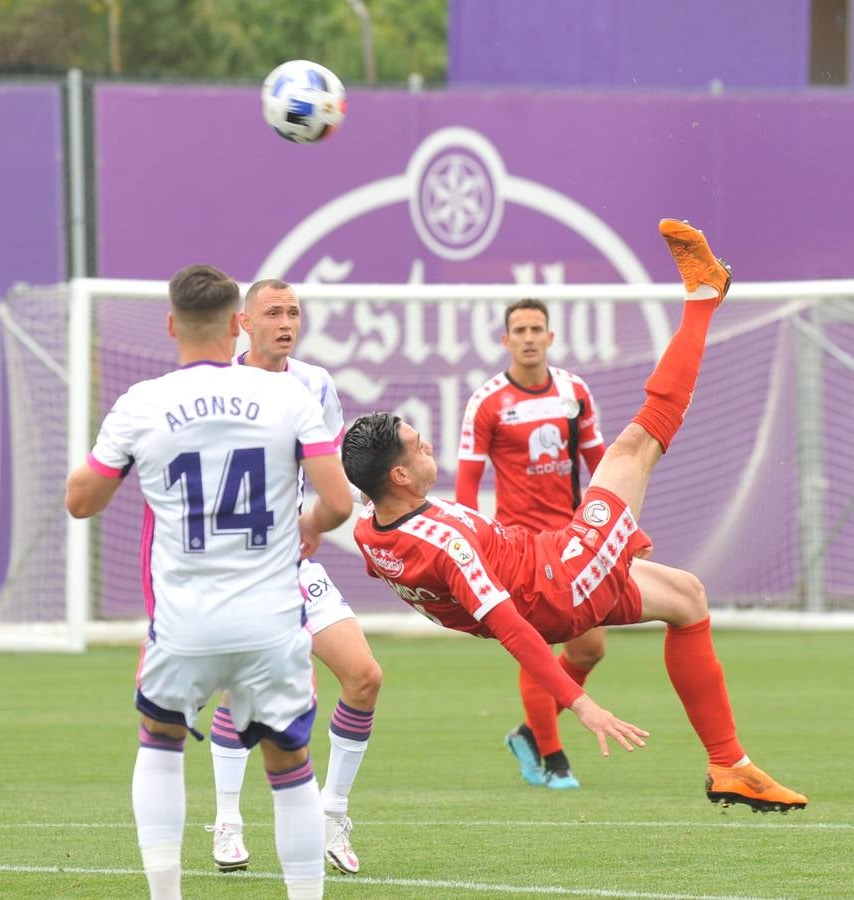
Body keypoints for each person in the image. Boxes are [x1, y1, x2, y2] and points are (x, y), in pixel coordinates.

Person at [341, 219, 808, 813]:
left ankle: (731, 766)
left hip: (550, 561)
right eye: (417, 446)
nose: (426, 444)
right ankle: (704, 297)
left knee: (687, 598)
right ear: (400, 477)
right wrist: (581, 705)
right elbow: (514, 630)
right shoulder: (447, 540)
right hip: (558, 580)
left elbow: (358, 484)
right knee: (636, 444)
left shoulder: (369, 526)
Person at [65, 265, 352, 900]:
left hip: (185, 620)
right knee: (289, 766)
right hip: (270, 620)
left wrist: (126, 464)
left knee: (161, 741)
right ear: (236, 326)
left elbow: (80, 501)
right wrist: (306, 525)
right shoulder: (291, 397)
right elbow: (337, 501)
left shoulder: (141, 403)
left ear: (171, 326)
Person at [207, 278, 382, 876]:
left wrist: (341, 517)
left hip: (295, 562)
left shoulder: (314, 384)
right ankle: (228, 820)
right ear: (243, 323)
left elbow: (333, 472)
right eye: (273, 312)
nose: (286, 322)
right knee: (246, 690)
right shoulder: (217, 387)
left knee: (363, 676)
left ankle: (333, 812)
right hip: (236, 567)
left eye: (293, 313)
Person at [456, 297, 607, 790]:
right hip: (519, 546)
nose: (527, 337)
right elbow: (467, 483)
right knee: (536, 647)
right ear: (505, 340)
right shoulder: (487, 402)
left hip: (572, 540)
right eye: (518, 329)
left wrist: (622, 526)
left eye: (535, 328)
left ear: (550, 337)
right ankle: (553, 757)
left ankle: (530, 731)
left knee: (589, 649)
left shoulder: (574, 391)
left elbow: (600, 463)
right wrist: (468, 542)